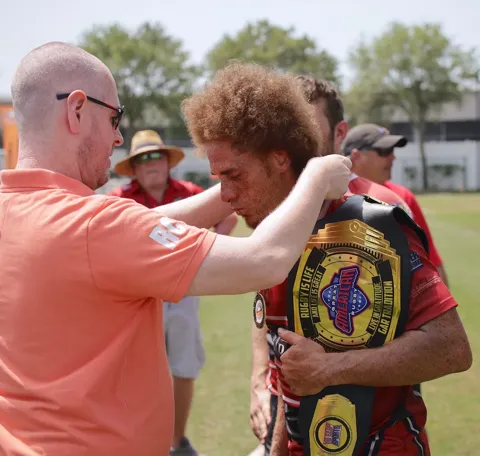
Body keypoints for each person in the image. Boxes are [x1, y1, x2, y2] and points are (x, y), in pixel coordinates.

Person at [0, 42, 352, 456]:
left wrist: (239, 183)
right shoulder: (99, 227)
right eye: (115, 117)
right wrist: (316, 175)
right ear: (77, 109)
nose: (117, 137)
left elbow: (137, 231)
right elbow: (264, 260)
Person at [182, 63, 472, 456]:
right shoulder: (274, 237)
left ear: (280, 159)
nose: (226, 196)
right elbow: (290, 368)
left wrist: (330, 369)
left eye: (234, 175)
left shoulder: (372, 222)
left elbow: (451, 347)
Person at [249, 76, 417, 456]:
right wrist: (259, 378)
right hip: (291, 422)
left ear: (340, 132)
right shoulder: (279, 211)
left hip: (374, 433)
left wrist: (330, 370)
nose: (293, 141)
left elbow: (441, 340)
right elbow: (270, 313)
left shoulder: (382, 211)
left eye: (306, 127)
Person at [109, 129, 237, 455]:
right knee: (133, 373)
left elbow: (229, 214)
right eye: (143, 159)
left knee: (183, 367)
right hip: (136, 299)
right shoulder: (118, 200)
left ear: (168, 162)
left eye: (157, 156)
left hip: (182, 294)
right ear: (134, 168)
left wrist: (206, 250)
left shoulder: (190, 193)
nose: (151, 163)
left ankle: (177, 442)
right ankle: (138, 442)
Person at [341, 123, 449, 286]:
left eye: (392, 151)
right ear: (356, 156)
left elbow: (430, 258)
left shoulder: (403, 197)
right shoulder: (335, 199)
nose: (392, 157)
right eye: (384, 151)